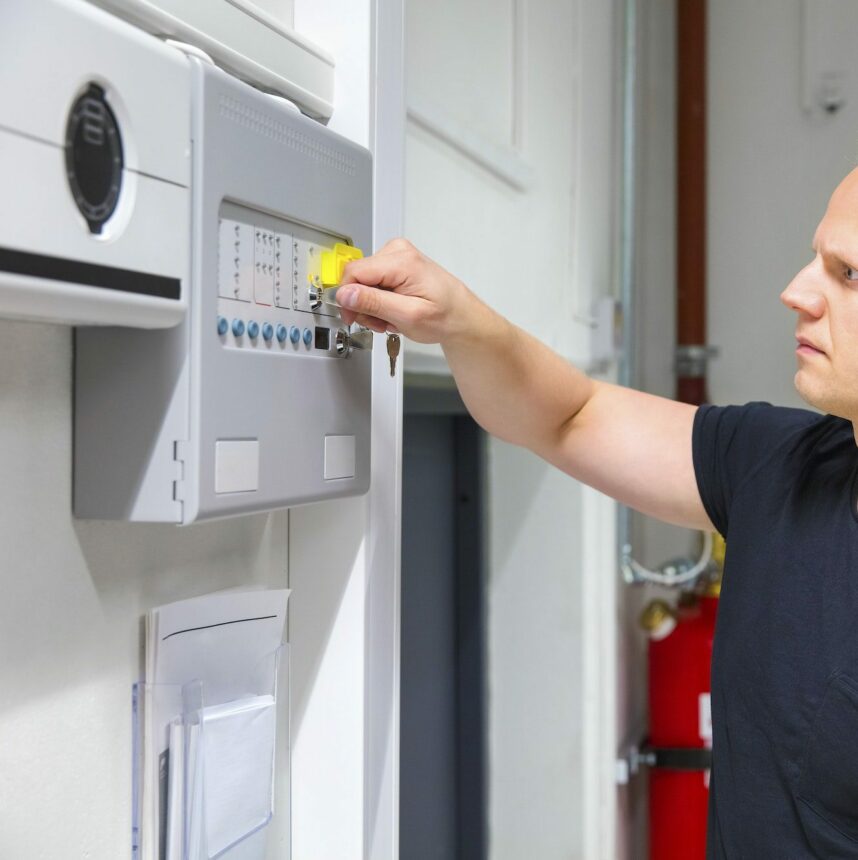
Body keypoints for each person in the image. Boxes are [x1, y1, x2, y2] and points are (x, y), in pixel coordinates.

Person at [335, 167, 858, 858]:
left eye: (846, 273)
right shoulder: (779, 466)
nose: (795, 292)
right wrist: (458, 318)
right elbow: (569, 416)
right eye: (814, 258)